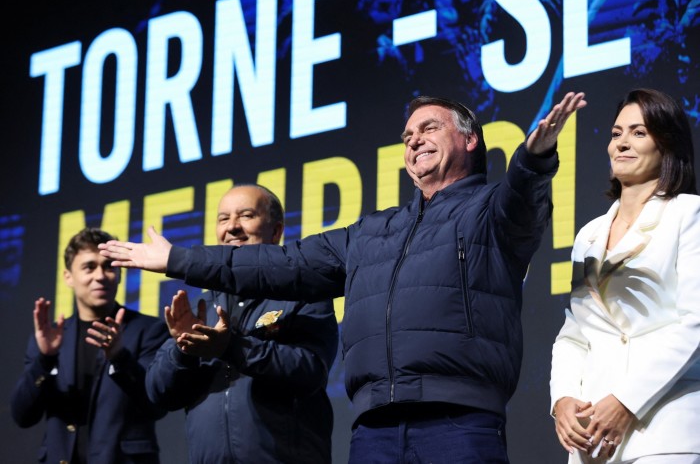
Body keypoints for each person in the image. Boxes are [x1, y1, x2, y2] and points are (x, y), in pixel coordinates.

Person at [100, 91, 587, 463]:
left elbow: (524, 200)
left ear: (469, 139)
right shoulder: (371, 232)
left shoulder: (488, 212)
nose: (413, 139)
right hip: (373, 429)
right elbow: (278, 263)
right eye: (407, 136)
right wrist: (176, 259)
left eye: (429, 128)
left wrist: (534, 158)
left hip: (458, 421)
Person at [550, 88, 700, 463]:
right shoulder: (589, 234)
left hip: (664, 427)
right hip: (592, 436)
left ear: (667, 144)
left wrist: (626, 402)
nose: (622, 143)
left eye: (639, 133)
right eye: (617, 133)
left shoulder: (689, 214)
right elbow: (575, 333)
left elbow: (694, 321)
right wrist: (563, 399)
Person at [144, 184, 338, 463]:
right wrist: (182, 350)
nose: (232, 227)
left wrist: (233, 347)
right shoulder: (202, 307)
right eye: (223, 219)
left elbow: (310, 371)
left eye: (246, 215)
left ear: (276, 231)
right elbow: (159, 393)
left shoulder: (303, 294)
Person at [10, 227, 170, 464]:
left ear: (120, 275)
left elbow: (156, 406)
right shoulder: (49, 337)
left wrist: (119, 358)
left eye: (108, 266)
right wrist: (44, 359)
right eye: (89, 267)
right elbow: (23, 416)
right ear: (68, 277)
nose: (100, 275)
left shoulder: (149, 330)